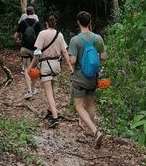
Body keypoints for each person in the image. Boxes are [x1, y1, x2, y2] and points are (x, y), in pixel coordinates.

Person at [68, 11, 107, 148]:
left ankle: (95, 131)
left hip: (80, 78)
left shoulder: (75, 40)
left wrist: (70, 58)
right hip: (93, 78)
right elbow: (103, 57)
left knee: (79, 106)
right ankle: (91, 131)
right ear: (90, 22)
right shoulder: (98, 38)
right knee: (90, 104)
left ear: (78, 23)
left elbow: (72, 60)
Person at [27, 15, 74, 128]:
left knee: (48, 92)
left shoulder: (42, 34)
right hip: (56, 65)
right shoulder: (60, 34)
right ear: (55, 23)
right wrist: (70, 66)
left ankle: (55, 117)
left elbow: (37, 52)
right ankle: (50, 110)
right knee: (52, 88)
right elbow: (64, 52)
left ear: (46, 23)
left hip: (46, 65)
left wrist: (31, 66)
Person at [14, 6, 42, 99]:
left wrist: (17, 40)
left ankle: (29, 91)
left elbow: (16, 36)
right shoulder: (37, 23)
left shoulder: (22, 22)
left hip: (25, 48)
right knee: (34, 69)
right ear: (33, 12)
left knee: (26, 69)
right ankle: (33, 89)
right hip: (35, 50)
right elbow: (40, 37)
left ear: (26, 13)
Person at [17, 5, 39, 74]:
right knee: (33, 57)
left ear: (26, 12)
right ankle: (32, 69)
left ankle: (24, 68)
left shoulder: (23, 17)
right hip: (34, 43)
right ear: (33, 11)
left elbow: (19, 26)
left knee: (24, 56)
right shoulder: (36, 17)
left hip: (25, 42)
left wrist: (18, 38)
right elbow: (38, 30)